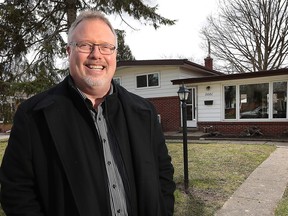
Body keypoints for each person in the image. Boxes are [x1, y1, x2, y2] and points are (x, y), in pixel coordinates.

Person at [0, 10, 175, 216]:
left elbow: (164, 177)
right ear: (68, 51)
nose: (96, 54)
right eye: (85, 45)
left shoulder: (144, 113)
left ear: (115, 54)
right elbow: (16, 192)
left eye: (105, 47)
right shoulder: (34, 116)